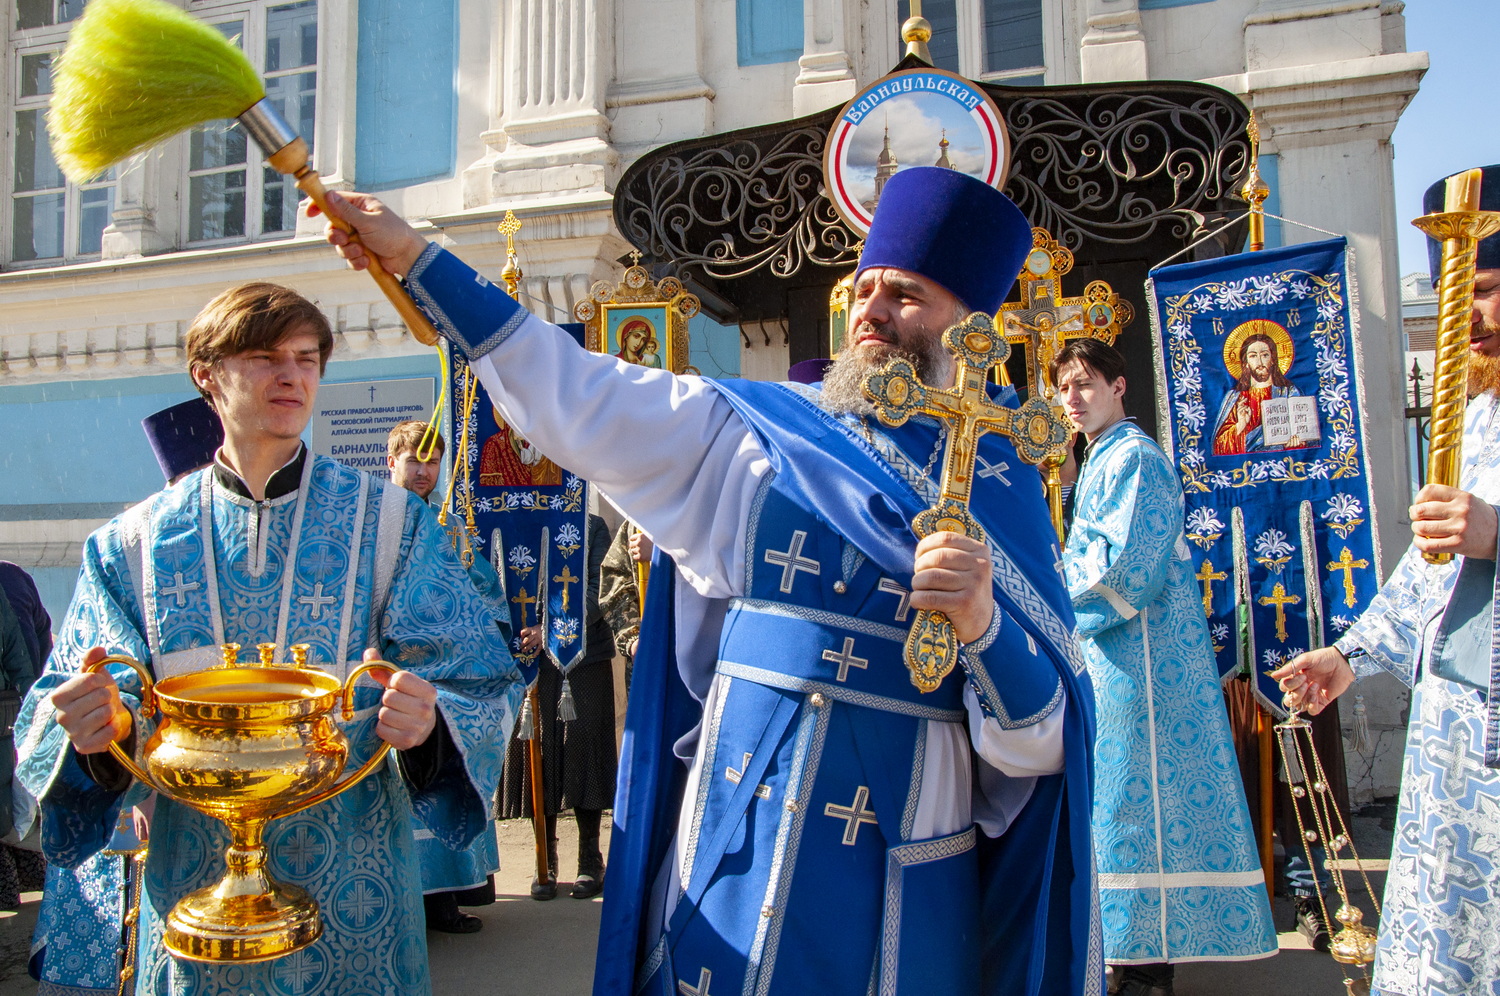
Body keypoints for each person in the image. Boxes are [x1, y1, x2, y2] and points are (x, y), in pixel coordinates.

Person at [318, 165, 1097, 995]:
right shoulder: (760, 435)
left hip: (901, 876)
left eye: (905, 295)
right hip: (734, 843)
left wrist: (981, 625)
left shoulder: (1005, 494)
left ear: (971, 330)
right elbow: (575, 391)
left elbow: (1045, 745)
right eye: (863, 288)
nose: (869, 311)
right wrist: (413, 255)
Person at [13, 282, 524, 996]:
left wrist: (432, 720)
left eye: (307, 358)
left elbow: (481, 677)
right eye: (263, 357)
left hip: (354, 886)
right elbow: (61, 700)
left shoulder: (391, 526)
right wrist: (92, 729)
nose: (292, 375)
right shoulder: (133, 543)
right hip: (192, 889)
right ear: (207, 375)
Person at [1273, 164, 1500, 996]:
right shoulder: (1477, 413)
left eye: (1486, 289)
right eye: (1456, 292)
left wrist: (1498, 533)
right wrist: (1349, 655)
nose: (1464, 315)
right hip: (1456, 732)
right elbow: (1430, 574)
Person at [1054, 338, 1275, 995]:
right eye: (1064, 386)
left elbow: (1127, 568)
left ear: (1120, 387)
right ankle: (1127, 955)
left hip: (1140, 665)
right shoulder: (1097, 460)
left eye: (1086, 383)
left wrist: (1049, 595)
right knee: (1118, 807)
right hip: (1116, 658)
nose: (1073, 397)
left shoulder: (1136, 458)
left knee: (1134, 806)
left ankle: (1145, 965)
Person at [386, 419, 508, 934]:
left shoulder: (451, 527)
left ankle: (446, 899)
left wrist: (486, 625)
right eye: (413, 460)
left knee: (449, 769)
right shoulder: (376, 524)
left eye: (432, 461)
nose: (423, 471)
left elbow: (484, 589)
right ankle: (402, 902)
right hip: (394, 676)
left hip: (446, 680)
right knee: (400, 795)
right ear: (390, 461)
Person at [499, 513, 618, 900]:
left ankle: (589, 859)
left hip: (585, 654)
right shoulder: (516, 522)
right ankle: (543, 860)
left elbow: (598, 591)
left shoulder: (593, 525)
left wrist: (549, 629)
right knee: (541, 749)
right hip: (531, 656)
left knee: (585, 748)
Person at [1211, 331, 1305, 455]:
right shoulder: (1235, 397)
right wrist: (1240, 425)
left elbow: (1306, 433)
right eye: (1253, 356)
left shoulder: (1289, 392)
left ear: (1273, 360)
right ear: (1245, 364)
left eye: (1265, 355)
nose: (1260, 362)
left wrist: (1298, 444)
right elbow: (1218, 447)